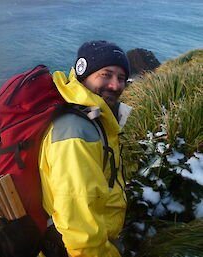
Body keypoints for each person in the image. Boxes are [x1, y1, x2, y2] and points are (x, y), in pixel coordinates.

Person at [38, 40, 132, 257]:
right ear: (83, 75)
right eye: (106, 75)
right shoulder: (75, 133)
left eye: (121, 78)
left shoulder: (94, 117)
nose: (116, 86)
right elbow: (80, 232)